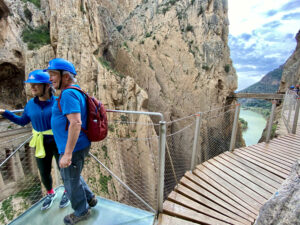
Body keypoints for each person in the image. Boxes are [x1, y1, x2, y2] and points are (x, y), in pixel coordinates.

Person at [0, 70, 70, 210]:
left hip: (57, 141)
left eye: (35, 85)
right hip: (40, 142)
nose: (32, 88)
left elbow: (69, 120)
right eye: (31, 85)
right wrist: (5, 113)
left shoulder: (58, 102)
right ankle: (50, 193)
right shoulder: (30, 105)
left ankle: (67, 192)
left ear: (46, 86)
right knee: (44, 172)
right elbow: (22, 121)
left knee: (64, 171)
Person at [44, 58, 97, 225]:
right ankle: (90, 198)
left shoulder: (68, 94)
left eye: (53, 74)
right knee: (74, 175)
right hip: (77, 146)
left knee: (70, 181)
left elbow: (75, 122)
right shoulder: (75, 91)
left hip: (73, 148)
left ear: (66, 77)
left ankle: (81, 211)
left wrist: (67, 154)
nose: (50, 78)